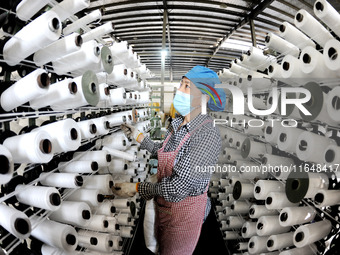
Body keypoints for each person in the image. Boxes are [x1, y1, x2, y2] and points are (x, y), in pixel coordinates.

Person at [113, 65, 226, 255]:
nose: (179, 91)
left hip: (184, 215)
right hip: (167, 209)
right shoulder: (180, 125)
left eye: (187, 87)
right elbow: (164, 152)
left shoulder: (207, 135)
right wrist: (138, 136)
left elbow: (178, 188)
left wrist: (137, 188)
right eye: (180, 84)